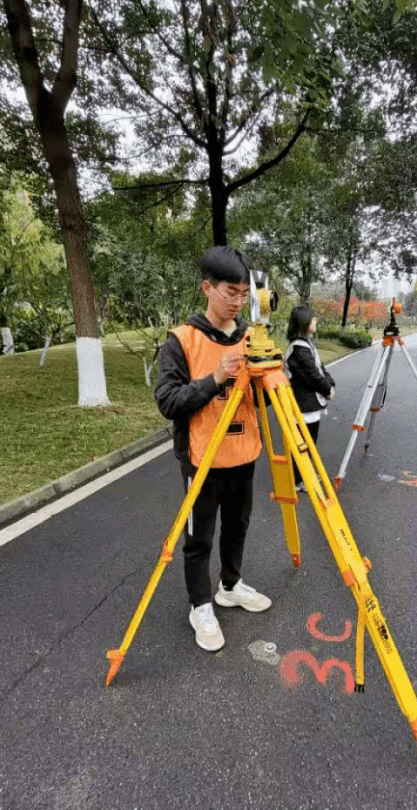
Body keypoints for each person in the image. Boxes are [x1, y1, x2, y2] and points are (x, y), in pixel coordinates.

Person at [153, 245, 272, 653]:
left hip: (244, 453)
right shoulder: (181, 341)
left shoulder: (250, 337)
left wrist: (271, 375)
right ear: (207, 287)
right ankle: (200, 605)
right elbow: (168, 401)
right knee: (199, 538)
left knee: (237, 527)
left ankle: (231, 585)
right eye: (231, 292)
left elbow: (265, 403)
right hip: (201, 459)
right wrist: (217, 377)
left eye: (244, 293)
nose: (239, 301)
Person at [284, 305, 335, 493]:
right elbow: (311, 376)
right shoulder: (298, 348)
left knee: (310, 442)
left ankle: (305, 474)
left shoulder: (306, 345)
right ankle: (298, 480)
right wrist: (327, 388)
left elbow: (321, 369)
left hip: (310, 404)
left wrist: (330, 384)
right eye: (313, 319)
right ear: (304, 323)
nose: (316, 322)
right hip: (302, 405)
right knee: (303, 444)